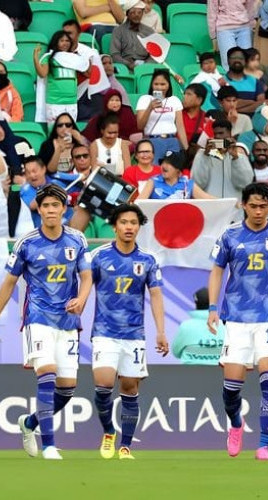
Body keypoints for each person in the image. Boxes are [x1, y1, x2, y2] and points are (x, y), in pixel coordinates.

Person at [207, 182, 268, 460]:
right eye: (253, 205)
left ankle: (263, 444)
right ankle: (236, 424)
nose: (258, 211)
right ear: (244, 205)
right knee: (231, 388)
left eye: (264, 206)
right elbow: (217, 271)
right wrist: (213, 308)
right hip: (236, 318)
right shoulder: (230, 235)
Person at [3, 184, 92, 460]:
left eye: (56, 205)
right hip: (38, 318)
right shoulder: (26, 243)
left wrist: (81, 299)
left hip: (67, 321)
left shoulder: (77, 239)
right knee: (48, 375)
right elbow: (9, 283)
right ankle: (49, 445)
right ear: (39, 210)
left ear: (64, 209)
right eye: (46, 206)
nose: (51, 210)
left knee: (66, 391)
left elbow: (87, 277)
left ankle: (29, 423)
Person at [90, 203, 168, 460]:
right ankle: (109, 431)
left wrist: (161, 331)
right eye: (123, 222)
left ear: (139, 226)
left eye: (133, 223)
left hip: (134, 335)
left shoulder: (147, 260)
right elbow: (83, 283)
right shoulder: (99, 256)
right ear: (114, 226)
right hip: (104, 332)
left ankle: (125, 447)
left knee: (130, 388)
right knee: (102, 386)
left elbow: (155, 295)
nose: (129, 227)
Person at [34, 30, 90, 126]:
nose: (65, 43)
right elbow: (42, 74)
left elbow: (88, 73)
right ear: (56, 42)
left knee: (69, 132)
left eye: (67, 41)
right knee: (54, 131)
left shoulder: (75, 58)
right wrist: (35, 57)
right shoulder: (49, 57)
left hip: (71, 102)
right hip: (55, 102)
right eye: (62, 40)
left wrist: (88, 57)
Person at [191, 119, 254, 202]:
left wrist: (235, 158)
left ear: (230, 134)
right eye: (215, 134)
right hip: (211, 208)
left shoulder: (240, 156)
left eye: (221, 133)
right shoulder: (202, 154)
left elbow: (245, 183)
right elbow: (197, 183)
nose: (217, 137)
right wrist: (206, 155)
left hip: (233, 210)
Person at [136, 70, 188, 165]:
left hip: (172, 140)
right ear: (152, 84)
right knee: (155, 172)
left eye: (163, 84)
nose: (159, 87)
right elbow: (140, 126)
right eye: (156, 84)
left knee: (173, 171)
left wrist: (186, 148)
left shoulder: (174, 100)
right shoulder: (144, 99)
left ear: (168, 85)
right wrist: (150, 108)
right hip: (152, 141)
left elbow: (180, 127)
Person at [138, 151, 214, 200]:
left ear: (178, 171)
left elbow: (208, 199)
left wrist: (225, 203)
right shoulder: (153, 181)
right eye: (163, 162)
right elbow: (139, 203)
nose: (164, 166)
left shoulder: (187, 184)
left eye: (169, 164)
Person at [207, 0, 256, 69]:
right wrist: (213, 36)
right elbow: (212, 11)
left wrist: (251, 27)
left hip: (244, 27)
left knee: (247, 62)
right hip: (224, 27)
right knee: (229, 62)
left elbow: (250, 7)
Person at [110, 0, 156, 70]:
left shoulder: (149, 32)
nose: (136, 15)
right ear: (127, 14)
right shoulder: (118, 31)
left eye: (139, 12)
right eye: (133, 13)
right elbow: (115, 55)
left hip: (145, 67)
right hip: (125, 67)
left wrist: (145, 65)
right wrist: (129, 64)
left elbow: (154, 55)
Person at [224, 47, 265, 115]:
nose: (237, 60)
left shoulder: (255, 81)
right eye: (234, 58)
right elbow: (223, 106)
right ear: (228, 61)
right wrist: (253, 102)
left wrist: (236, 108)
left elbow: (261, 103)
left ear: (245, 61)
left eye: (241, 58)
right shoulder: (222, 81)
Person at [89, 111, 131, 176]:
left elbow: (128, 169)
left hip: (121, 180)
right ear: (102, 131)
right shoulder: (95, 145)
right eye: (110, 133)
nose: (112, 136)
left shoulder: (122, 144)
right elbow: (93, 169)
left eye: (115, 132)